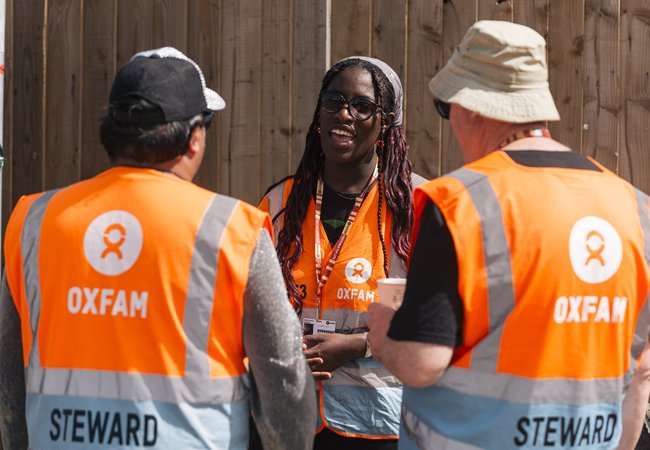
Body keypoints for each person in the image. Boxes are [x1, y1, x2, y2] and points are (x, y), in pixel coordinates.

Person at [0, 47, 315, 450]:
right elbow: (283, 372)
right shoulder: (233, 229)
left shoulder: (34, 220)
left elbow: (9, 370)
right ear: (194, 138)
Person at [367, 20, 650, 450]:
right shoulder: (635, 208)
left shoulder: (458, 202)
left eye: (446, 108)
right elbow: (641, 372)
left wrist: (383, 331)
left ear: (474, 107)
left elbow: (423, 363)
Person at [259, 56, 425, 449]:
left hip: (379, 424)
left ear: (385, 123)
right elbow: (251, 304)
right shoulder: (281, 202)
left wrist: (360, 345)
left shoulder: (415, 205)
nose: (345, 114)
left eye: (362, 106)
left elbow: (436, 315)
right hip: (290, 418)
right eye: (334, 100)